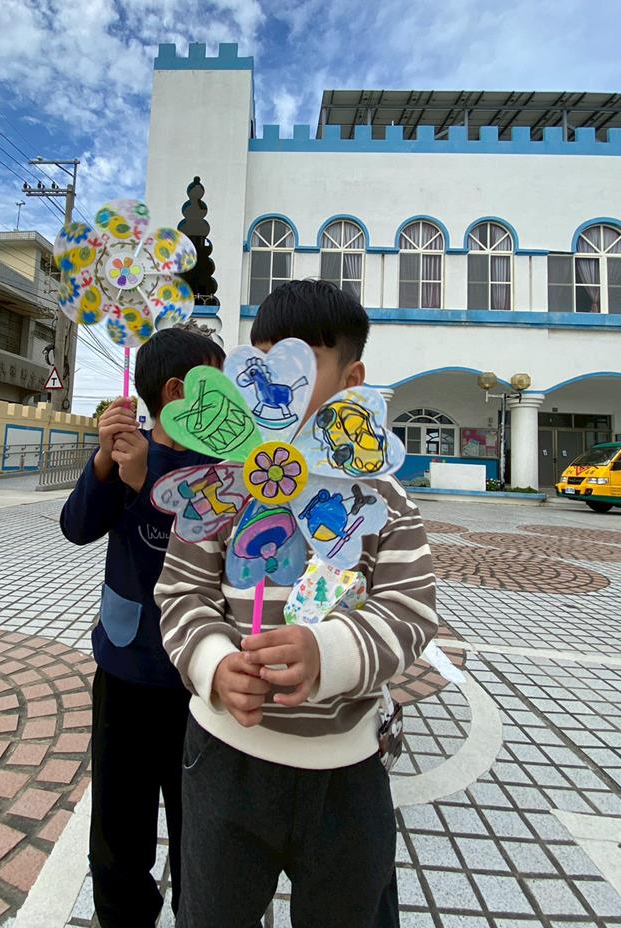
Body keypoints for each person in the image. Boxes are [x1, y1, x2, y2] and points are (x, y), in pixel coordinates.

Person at [155, 281, 438, 928]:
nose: (271, 383)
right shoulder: (223, 484)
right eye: (261, 364)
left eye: (298, 364)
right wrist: (214, 665)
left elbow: (411, 610)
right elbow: (181, 592)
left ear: (351, 380)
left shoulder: (382, 499)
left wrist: (325, 653)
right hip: (224, 757)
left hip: (345, 768)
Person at [60, 326, 225, 928]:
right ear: (179, 391)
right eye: (217, 383)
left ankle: (197, 915)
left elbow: (214, 551)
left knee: (199, 828)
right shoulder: (127, 449)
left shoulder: (224, 466)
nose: (229, 397)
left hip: (200, 675)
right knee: (117, 828)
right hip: (126, 666)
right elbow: (77, 527)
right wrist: (104, 463)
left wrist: (145, 486)